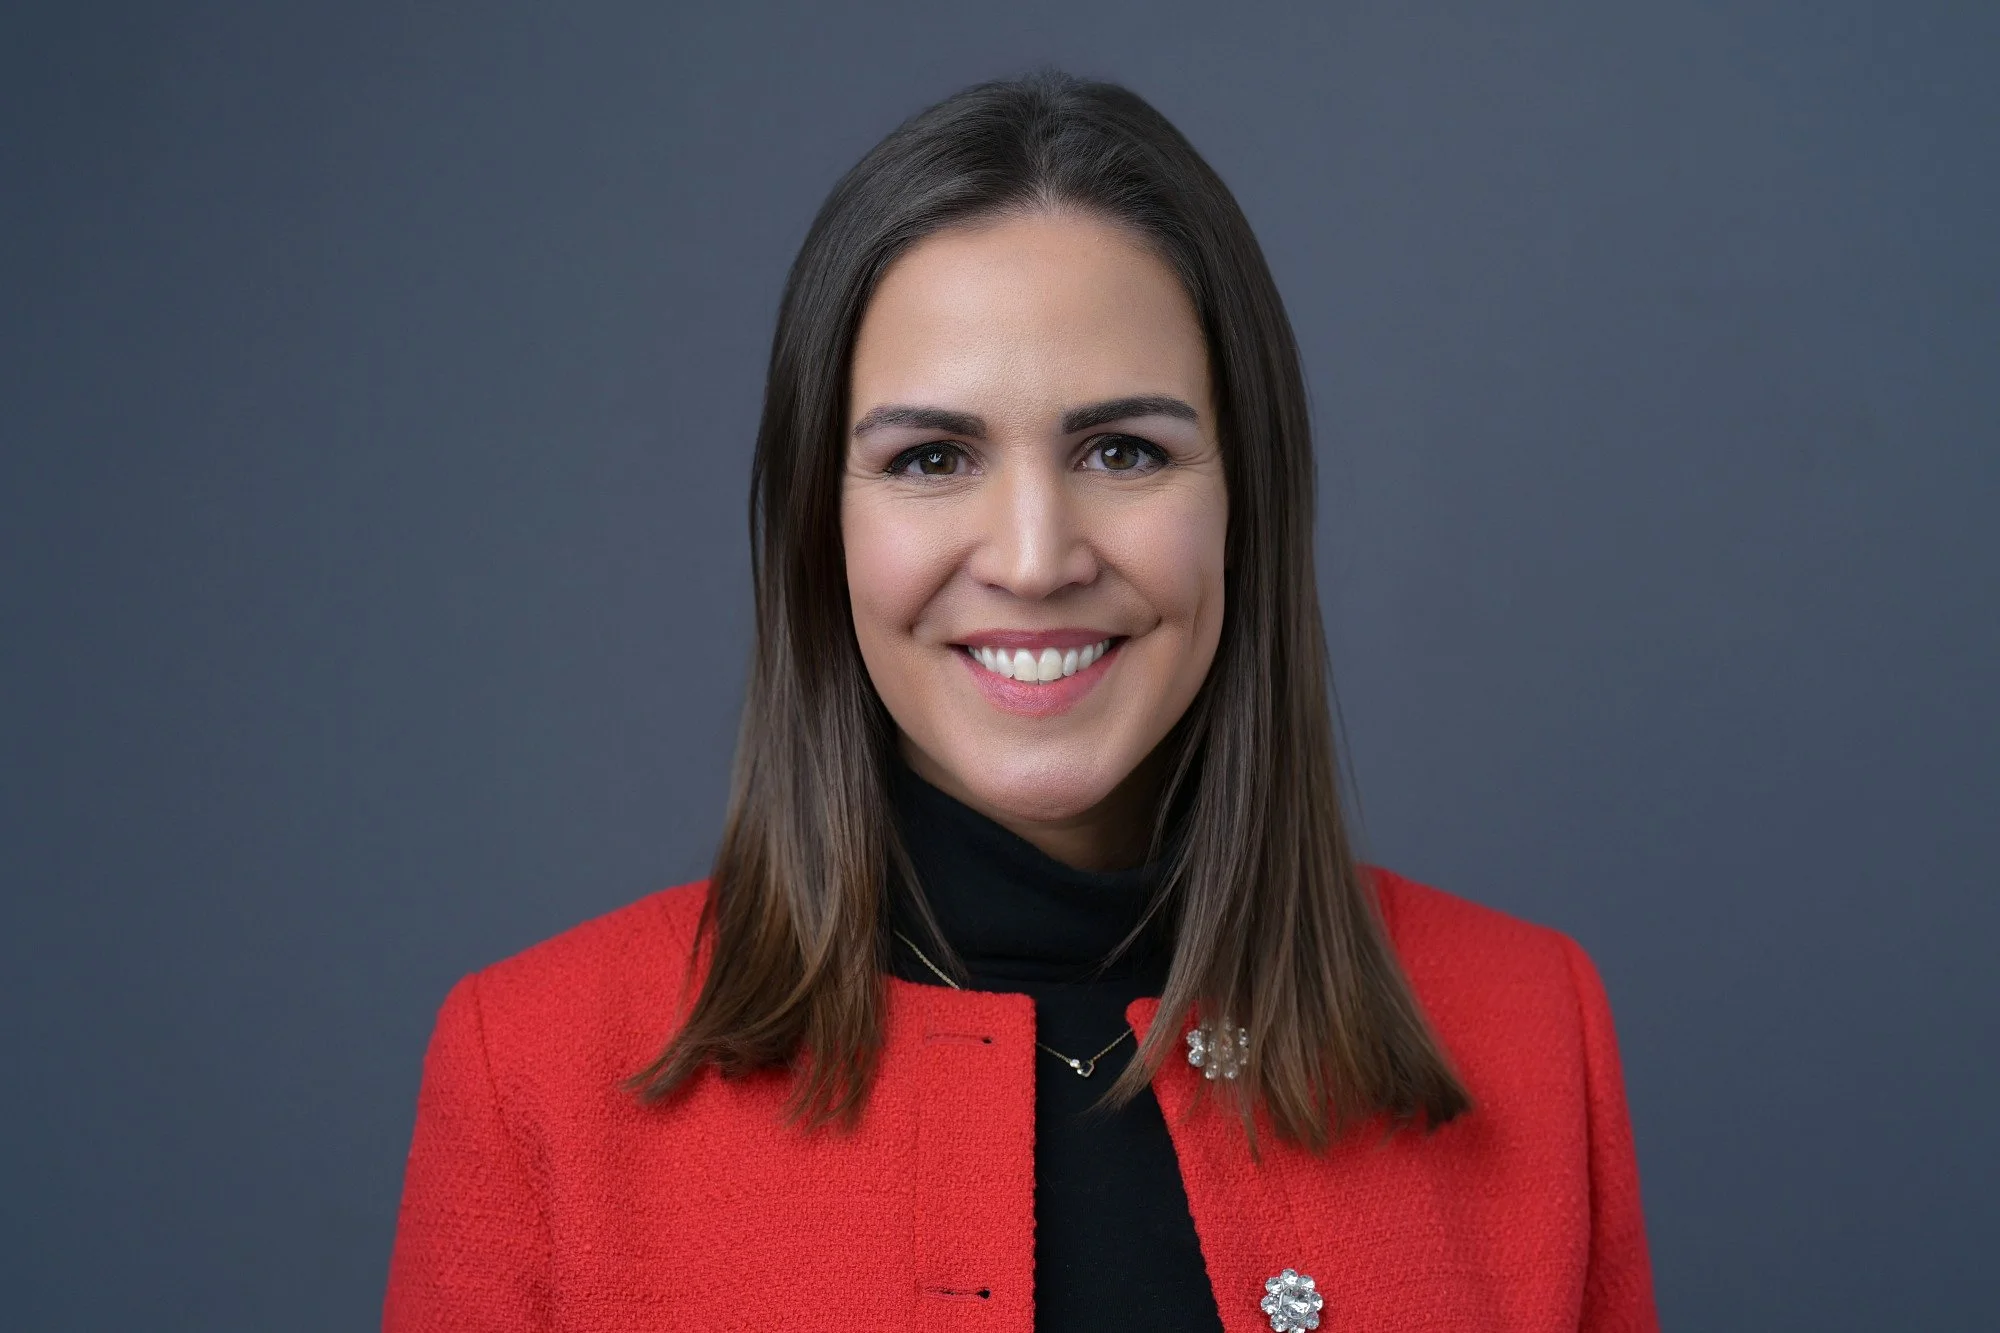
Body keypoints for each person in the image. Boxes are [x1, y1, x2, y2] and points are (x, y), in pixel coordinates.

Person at [383, 69, 1659, 1332]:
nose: (1036, 556)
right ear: (817, 526)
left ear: (1243, 506)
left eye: (1123, 451)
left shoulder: (1530, 1030)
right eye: (930, 458)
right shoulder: (534, 1071)